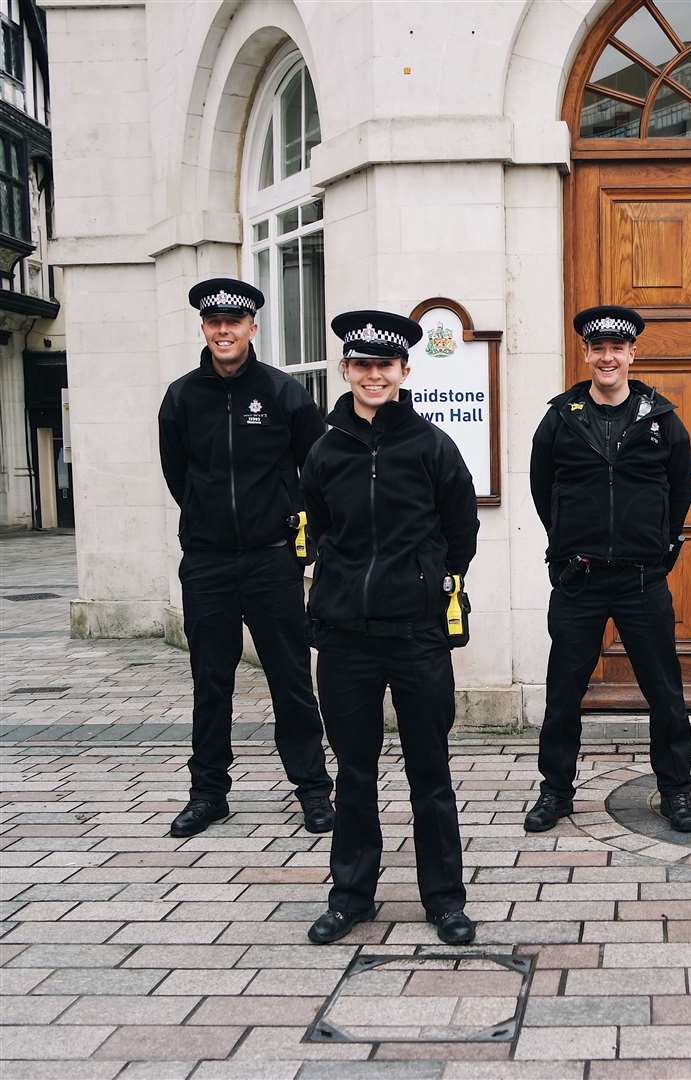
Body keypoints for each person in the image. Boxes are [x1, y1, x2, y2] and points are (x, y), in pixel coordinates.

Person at [301, 310, 479, 946]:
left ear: (405, 371)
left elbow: (463, 530)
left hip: (416, 634)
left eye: (386, 366)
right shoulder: (324, 449)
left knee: (429, 769)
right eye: (361, 366)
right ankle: (351, 894)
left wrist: (430, 581)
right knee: (353, 770)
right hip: (346, 636)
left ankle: (444, 899)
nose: (373, 376)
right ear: (346, 371)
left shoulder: (431, 446)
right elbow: (315, 525)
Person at [157, 277, 334, 839]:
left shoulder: (283, 394)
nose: (224, 330)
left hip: (271, 560)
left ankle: (313, 791)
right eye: (214, 323)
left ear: (253, 328)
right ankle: (208, 793)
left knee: (290, 679)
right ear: (204, 329)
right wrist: (210, 518)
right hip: (208, 561)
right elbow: (177, 474)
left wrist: (286, 519)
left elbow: (319, 468)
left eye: (234, 322)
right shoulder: (182, 397)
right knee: (211, 681)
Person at [525, 305, 691, 834]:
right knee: (563, 693)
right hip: (579, 580)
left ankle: (675, 791)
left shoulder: (662, 419)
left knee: (664, 693)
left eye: (617, 348)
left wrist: (660, 546)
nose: (607, 357)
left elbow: (681, 491)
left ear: (632, 354)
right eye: (598, 348)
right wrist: (564, 543)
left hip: (642, 579)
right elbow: (541, 489)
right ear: (586, 354)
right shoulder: (560, 418)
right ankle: (555, 792)